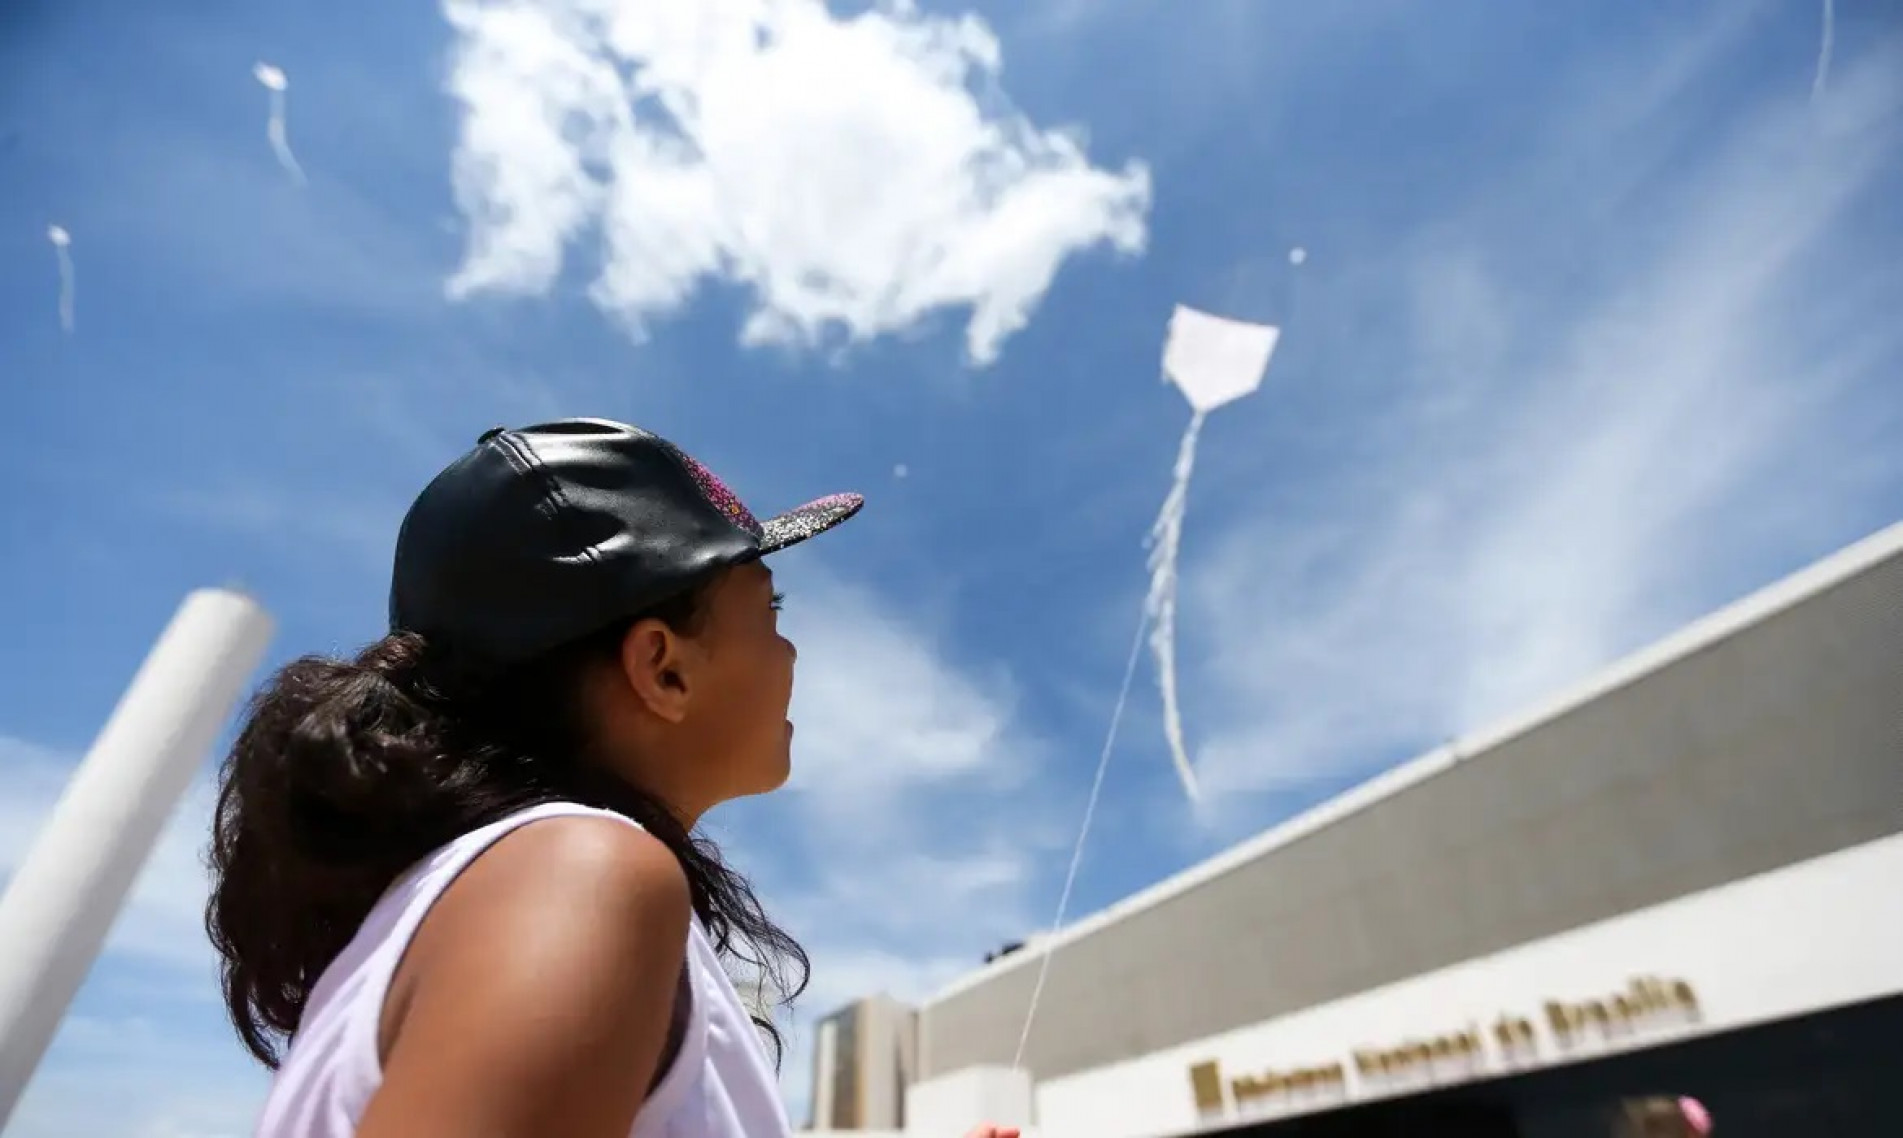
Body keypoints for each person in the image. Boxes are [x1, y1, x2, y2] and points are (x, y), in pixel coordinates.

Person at [205, 419, 1020, 1138]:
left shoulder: (477, 894)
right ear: (662, 669)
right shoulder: (582, 872)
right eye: (770, 613)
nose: (791, 651)